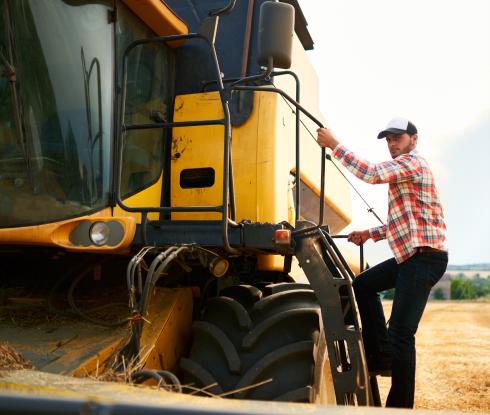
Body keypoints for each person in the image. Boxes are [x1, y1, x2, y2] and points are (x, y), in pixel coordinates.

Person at [316, 117, 448, 409]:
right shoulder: (404, 172)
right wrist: (370, 233)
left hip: (425, 259)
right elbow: (404, 223)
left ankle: (399, 407)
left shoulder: (413, 163)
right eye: (388, 140)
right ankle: (380, 354)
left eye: (397, 138)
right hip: (410, 258)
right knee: (363, 284)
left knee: (402, 333)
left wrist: (335, 145)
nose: (391, 144)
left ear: (414, 139)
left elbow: (372, 173)